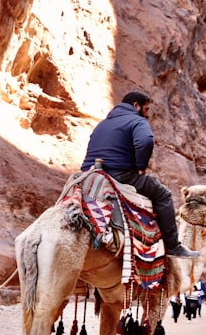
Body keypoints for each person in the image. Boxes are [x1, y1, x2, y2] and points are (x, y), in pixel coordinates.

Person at [80, 91, 199, 258]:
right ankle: (173, 246)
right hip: (119, 174)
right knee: (163, 194)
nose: (147, 114)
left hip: (90, 175)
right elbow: (146, 141)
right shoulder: (137, 120)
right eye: (147, 109)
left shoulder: (102, 124)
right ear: (136, 105)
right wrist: (140, 166)